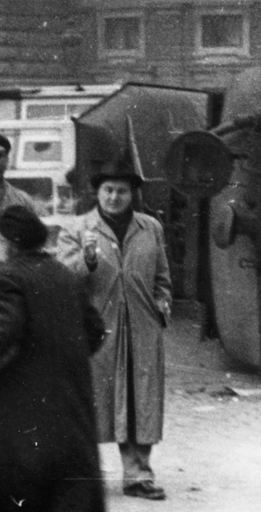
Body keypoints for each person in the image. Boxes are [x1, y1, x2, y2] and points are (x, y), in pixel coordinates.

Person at [0, 204, 106, 512]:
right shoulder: (64, 274)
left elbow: (3, 333)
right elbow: (95, 330)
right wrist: (63, 359)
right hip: (71, 413)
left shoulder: (7, 277)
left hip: (23, 418)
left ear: (11, 243)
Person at [57, 149, 172, 501]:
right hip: (96, 329)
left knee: (142, 400)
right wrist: (87, 259)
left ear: (132, 193)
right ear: (98, 192)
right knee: (91, 401)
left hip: (141, 326)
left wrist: (160, 306)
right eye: (108, 190)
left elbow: (163, 278)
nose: (114, 196)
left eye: (121, 190)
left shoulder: (149, 227)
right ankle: (81, 476)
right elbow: (62, 279)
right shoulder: (77, 228)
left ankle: (138, 475)